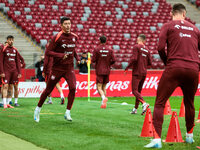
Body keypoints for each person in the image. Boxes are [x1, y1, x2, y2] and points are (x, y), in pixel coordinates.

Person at [145, 3, 200, 148]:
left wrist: (166, 61)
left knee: (160, 102)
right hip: (193, 69)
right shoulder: (195, 29)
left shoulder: (168, 26)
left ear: (171, 13)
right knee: (189, 103)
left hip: (174, 67)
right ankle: (189, 137)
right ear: (184, 13)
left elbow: (160, 48)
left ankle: (157, 139)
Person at [34, 17, 80, 122]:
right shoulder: (57, 37)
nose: (68, 25)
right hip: (57, 68)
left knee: (73, 88)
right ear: (61, 25)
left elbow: (73, 50)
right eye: (66, 24)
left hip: (69, 68)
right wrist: (60, 55)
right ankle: (38, 109)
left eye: (69, 23)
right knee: (48, 90)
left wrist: (77, 58)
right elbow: (48, 52)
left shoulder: (74, 37)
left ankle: (68, 112)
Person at [124, 34, 151, 115]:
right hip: (144, 72)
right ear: (144, 41)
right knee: (138, 91)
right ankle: (135, 109)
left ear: (140, 40)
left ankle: (144, 103)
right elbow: (150, 63)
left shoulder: (136, 47)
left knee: (134, 90)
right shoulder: (147, 49)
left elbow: (134, 58)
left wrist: (127, 67)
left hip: (137, 72)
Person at [92, 35, 115, 109]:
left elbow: (93, 60)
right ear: (106, 41)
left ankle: (103, 98)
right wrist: (108, 64)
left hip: (99, 70)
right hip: (107, 70)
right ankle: (103, 104)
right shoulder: (110, 49)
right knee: (104, 87)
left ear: (99, 40)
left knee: (99, 87)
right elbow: (114, 60)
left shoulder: (97, 49)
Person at [0, 35, 21, 109]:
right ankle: (4, 103)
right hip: (6, 71)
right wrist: (1, 72)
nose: (11, 41)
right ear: (7, 40)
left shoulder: (15, 49)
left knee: (11, 87)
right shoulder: (4, 49)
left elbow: (18, 62)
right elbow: (1, 61)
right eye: (9, 40)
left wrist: (19, 72)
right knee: (5, 86)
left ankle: (8, 103)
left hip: (14, 71)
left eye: (12, 40)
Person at [42, 40, 65, 105]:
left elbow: (46, 62)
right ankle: (62, 96)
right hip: (56, 70)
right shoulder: (56, 51)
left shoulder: (48, 51)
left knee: (48, 86)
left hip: (49, 71)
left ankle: (50, 100)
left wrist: (44, 71)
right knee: (57, 84)